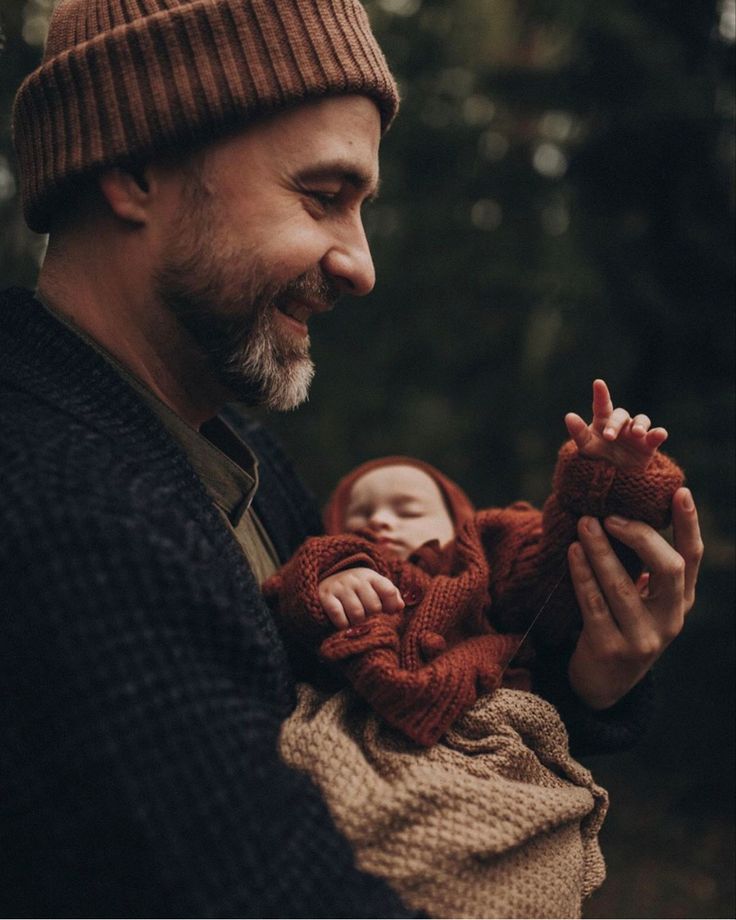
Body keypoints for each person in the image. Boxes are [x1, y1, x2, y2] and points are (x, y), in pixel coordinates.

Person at [0, 1, 703, 917]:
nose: (361, 265)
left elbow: (371, 750)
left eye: (362, 209)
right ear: (134, 168)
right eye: (322, 196)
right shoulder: (57, 511)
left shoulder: (230, 460)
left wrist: (581, 684)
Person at [266, 379, 685, 746]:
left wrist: (606, 480)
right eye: (360, 514)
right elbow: (291, 591)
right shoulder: (335, 561)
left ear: (458, 523)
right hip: (352, 734)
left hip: (489, 739)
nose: (378, 520)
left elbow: (554, 570)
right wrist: (330, 581)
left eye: (407, 510)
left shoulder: (484, 555)